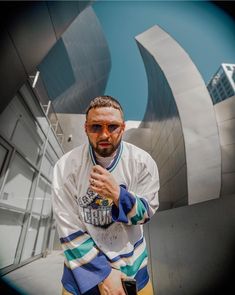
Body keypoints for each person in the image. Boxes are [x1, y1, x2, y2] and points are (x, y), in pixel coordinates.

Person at [52, 96, 160, 295]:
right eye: (95, 127)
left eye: (112, 126)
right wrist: (102, 274)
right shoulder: (65, 167)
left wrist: (119, 195)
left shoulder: (143, 162)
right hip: (82, 273)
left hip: (133, 270)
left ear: (123, 127)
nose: (104, 134)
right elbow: (67, 228)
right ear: (85, 128)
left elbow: (146, 213)